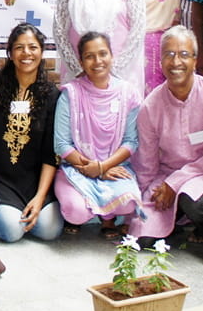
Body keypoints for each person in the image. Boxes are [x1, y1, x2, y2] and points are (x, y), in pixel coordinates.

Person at [130, 26, 203, 244]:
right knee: (143, 237)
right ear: (160, 61)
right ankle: (176, 217)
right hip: (166, 176)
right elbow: (146, 162)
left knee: (198, 206)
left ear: (195, 60)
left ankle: (202, 223)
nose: (176, 62)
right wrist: (141, 200)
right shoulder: (150, 107)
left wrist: (176, 183)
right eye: (169, 54)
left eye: (183, 54)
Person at [53, 31, 144, 239]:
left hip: (114, 166)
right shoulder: (70, 93)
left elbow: (131, 141)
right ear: (81, 62)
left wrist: (103, 167)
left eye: (103, 54)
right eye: (89, 56)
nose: (97, 61)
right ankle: (86, 214)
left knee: (128, 204)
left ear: (112, 55)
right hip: (77, 168)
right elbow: (62, 144)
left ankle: (108, 217)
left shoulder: (128, 93)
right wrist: (92, 168)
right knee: (75, 212)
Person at [0, 23, 63, 243]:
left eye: (32, 47)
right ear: (10, 53)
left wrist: (40, 198)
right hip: (0, 180)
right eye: (19, 47)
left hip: (35, 181)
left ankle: (29, 210)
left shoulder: (51, 95)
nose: (26, 53)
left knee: (49, 230)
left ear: (41, 52)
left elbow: (51, 153)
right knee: (12, 231)